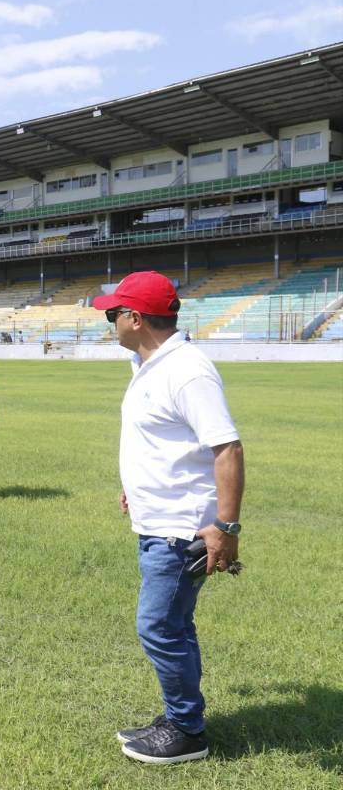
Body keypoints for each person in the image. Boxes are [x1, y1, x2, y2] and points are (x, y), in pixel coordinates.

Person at [92, 271, 245, 765]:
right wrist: (135, 488)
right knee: (175, 625)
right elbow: (165, 442)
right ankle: (181, 717)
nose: (109, 321)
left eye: (114, 313)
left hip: (182, 531)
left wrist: (226, 528)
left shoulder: (186, 370)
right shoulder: (149, 364)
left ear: (136, 318)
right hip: (157, 520)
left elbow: (227, 448)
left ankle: (187, 731)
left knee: (158, 626)